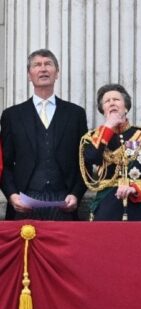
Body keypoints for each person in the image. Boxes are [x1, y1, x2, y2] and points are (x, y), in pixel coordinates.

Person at [1, 49, 88, 220]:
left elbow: (84, 161)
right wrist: (11, 195)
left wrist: (76, 194)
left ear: (57, 73)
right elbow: (5, 162)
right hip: (23, 203)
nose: (43, 69)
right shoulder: (12, 115)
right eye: (37, 65)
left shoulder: (75, 113)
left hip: (64, 203)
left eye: (48, 64)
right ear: (29, 74)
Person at [79, 84, 141, 221]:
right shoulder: (92, 138)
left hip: (140, 210)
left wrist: (134, 188)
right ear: (103, 110)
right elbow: (92, 158)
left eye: (116, 99)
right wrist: (107, 128)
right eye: (107, 101)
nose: (112, 102)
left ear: (126, 107)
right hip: (107, 208)